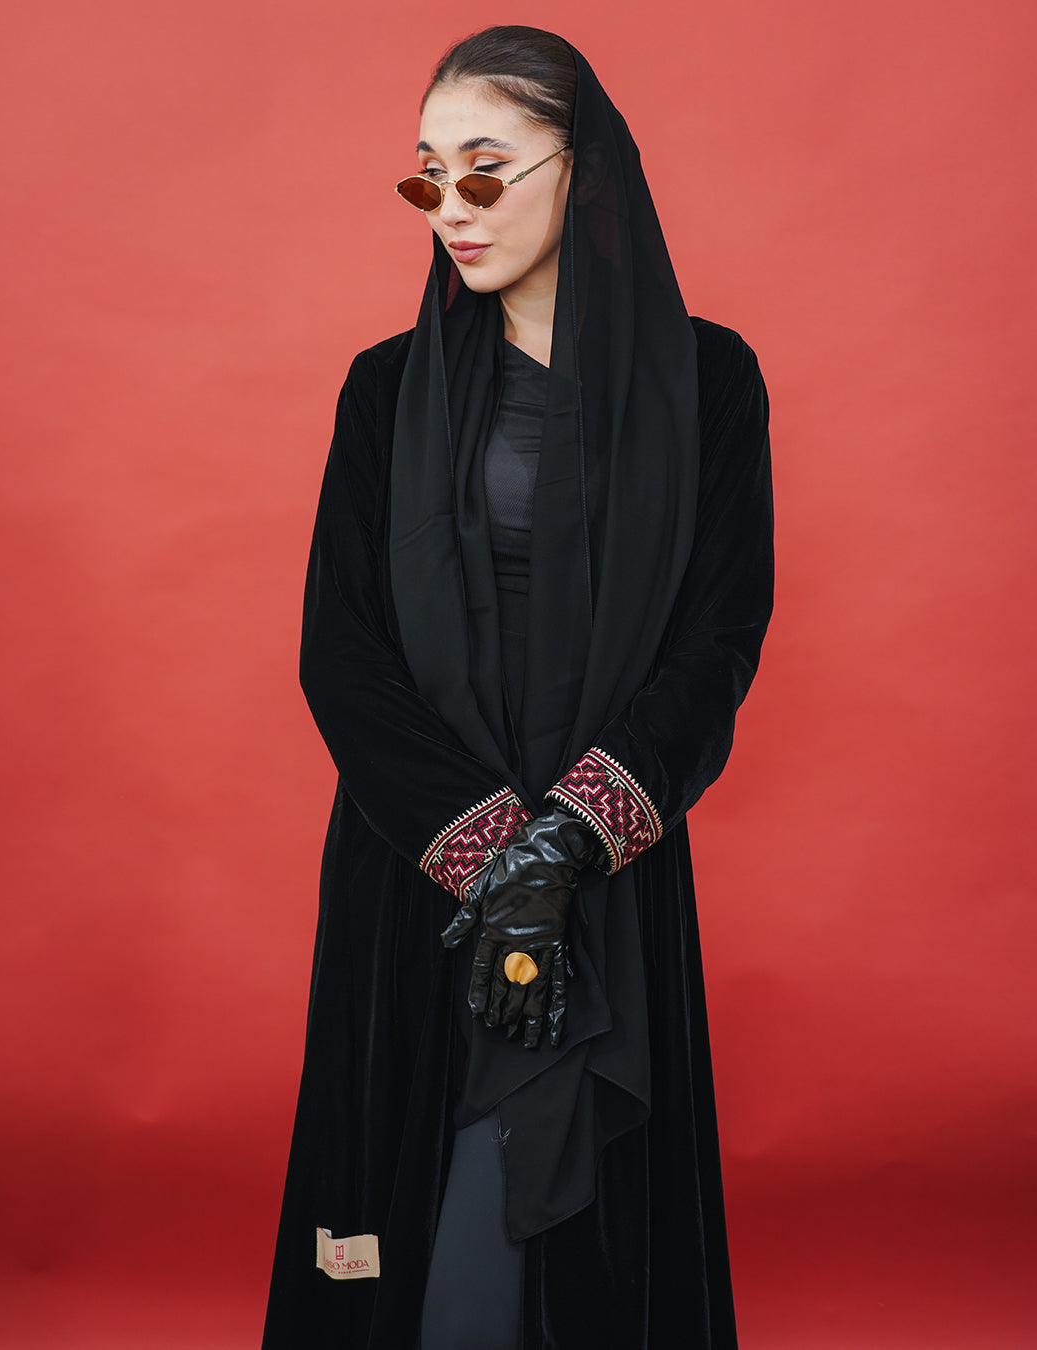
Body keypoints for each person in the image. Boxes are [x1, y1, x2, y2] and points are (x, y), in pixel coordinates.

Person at [261, 25, 774, 1350]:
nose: (452, 206)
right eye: (427, 175)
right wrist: (497, 859)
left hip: (604, 863)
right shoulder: (385, 392)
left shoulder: (710, 383)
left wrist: (563, 847)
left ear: (582, 168)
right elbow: (341, 654)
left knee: (584, 1254)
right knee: (422, 1260)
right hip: (417, 868)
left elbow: (718, 641)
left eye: (485, 168)